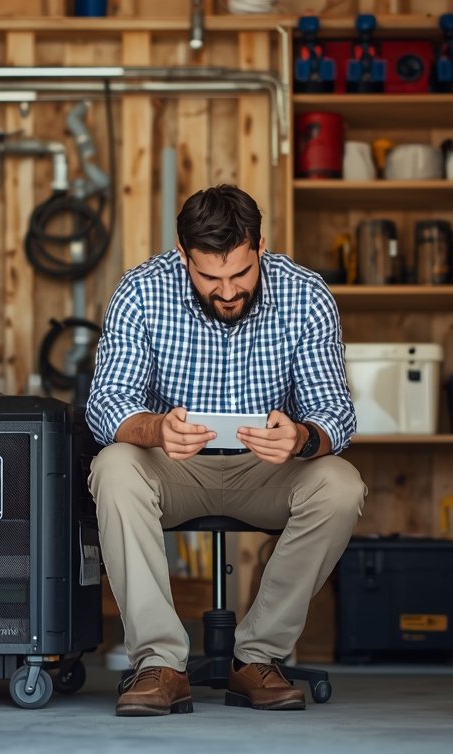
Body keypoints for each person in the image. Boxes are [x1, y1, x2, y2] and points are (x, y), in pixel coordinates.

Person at [86, 184, 366, 717]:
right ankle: (160, 664)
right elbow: (106, 406)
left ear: (261, 247)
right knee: (113, 466)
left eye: (240, 273)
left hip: (268, 470)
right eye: (208, 277)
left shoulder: (306, 294)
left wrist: (303, 437)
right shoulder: (140, 290)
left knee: (341, 483)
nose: (228, 291)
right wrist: (154, 429)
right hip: (174, 467)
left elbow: (337, 412)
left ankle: (258, 657)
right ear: (182, 253)